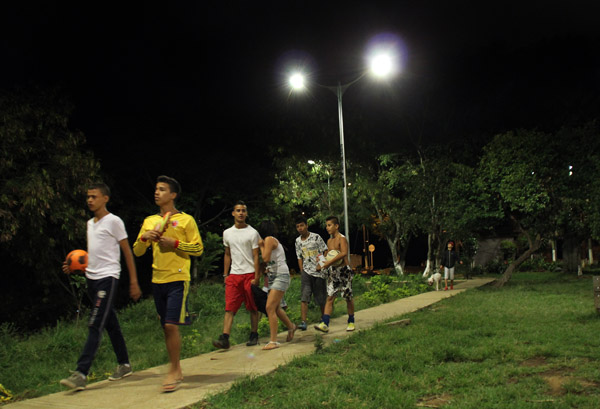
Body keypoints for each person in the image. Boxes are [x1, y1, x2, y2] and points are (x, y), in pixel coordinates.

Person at [60, 183, 141, 391]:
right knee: (110, 323)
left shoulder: (114, 221)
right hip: (91, 279)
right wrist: (75, 267)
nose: (89, 200)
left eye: (94, 196)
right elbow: (95, 253)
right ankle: (124, 364)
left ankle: (81, 373)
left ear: (105, 198)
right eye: (88, 196)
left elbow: (127, 251)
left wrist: (133, 281)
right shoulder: (90, 224)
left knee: (95, 323)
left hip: (108, 278)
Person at [133, 175, 203, 392]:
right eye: (156, 189)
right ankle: (177, 368)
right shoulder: (149, 221)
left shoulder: (186, 220)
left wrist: (176, 243)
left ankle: (173, 370)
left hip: (178, 279)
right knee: (166, 327)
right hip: (158, 279)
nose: (157, 192)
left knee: (172, 325)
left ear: (173, 195)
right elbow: (137, 251)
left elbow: (198, 249)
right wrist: (145, 237)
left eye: (162, 189)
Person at [212, 201, 260, 350]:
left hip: (249, 273)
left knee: (252, 306)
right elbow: (227, 254)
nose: (241, 213)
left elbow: (256, 256)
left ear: (246, 213)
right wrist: (225, 274)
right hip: (234, 274)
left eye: (243, 211)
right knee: (230, 307)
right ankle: (225, 338)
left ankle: (254, 334)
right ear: (233, 213)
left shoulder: (252, 232)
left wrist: (257, 276)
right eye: (238, 210)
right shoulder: (227, 233)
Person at [256, 221, 297, 350]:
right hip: (273, 276)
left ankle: (273, 341)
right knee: (276, 308)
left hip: (281, 275)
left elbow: (266, 258)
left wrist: (261, 246)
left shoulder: (269, 239)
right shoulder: (269, 240)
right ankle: (291, 326)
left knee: (269, 307)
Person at [314, 216, 356, 333]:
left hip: (344, 271)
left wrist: (328, 263)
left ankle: (351, 321)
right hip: (333, 272)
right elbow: (328, 255)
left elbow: (343, 253)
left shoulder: (342, 239)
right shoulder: (329, 241)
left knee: (348, 297)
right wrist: (321, 263)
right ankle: (325, 323)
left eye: (329, 225)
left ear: (336, 226)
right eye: (326, 225)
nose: (327, 228)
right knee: (330, 297)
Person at [294, 215, 328, 331]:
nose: (300, 228)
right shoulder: (298, 241)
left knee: (321, 297)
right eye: (298, 226)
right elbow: (299, 256)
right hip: (306, 272)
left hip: (319, 272)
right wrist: (302, 270)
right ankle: (304, 322)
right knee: (304, 296)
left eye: (302, 225)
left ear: (306, 226)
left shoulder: (316, 237)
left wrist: (321, 264)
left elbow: (325, 250)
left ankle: (324, 318)